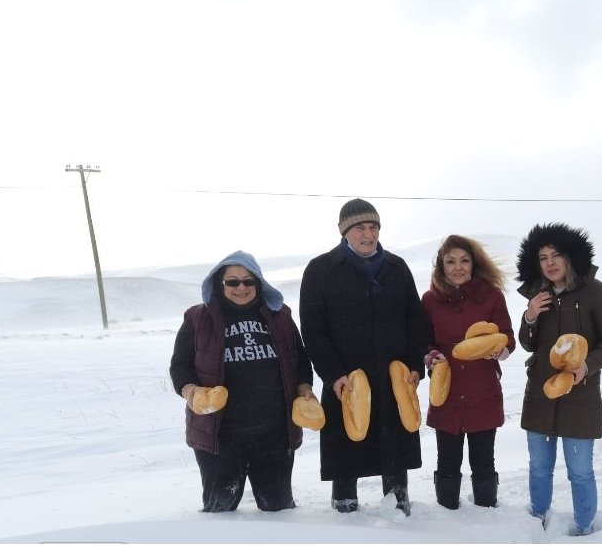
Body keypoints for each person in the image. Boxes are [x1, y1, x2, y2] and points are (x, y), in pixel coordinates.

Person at [299, 198, 431, 515]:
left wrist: (414, 366)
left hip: (391, 377)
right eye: (360, 227)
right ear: (345, 232)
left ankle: (399, 504)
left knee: (394, 446)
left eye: (373, 226)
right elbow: (313, 331)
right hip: (346, 379)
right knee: (346, 446)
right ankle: (344, 508)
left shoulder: (397, 268)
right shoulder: (320, 270)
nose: (368, 234)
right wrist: (333, 374)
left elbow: (416, 321)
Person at [169, 250, 316, 513]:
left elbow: (301, 361)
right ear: (219, 283)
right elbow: (180, 367)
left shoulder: (280, 316)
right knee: (220, 511)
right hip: (220, 435)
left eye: (248, 281)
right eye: (232, 281)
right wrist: (192, 391)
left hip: (274, 434)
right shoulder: (198, 319)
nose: (241, 287)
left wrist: (305, 389)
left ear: (258, 283)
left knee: (279, 510)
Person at [515, 223, 602, 536]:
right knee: (539, 467)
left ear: (571, 257)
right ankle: (538, 520)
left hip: (581, 396)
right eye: (543, 257)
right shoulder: (538, 294)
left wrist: (586, 367)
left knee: (580, 472)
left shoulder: (595, 292)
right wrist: (529, 316)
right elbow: (528, 343)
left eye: (556, 255)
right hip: (540, 394)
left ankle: (586, 528)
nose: (550, 263)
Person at [420, 235, 515, 510]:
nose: (458, 267)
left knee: (483, 459)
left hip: (482, 387)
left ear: (474, 264)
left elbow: (507, 337)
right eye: (450, 261)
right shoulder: (429, 300)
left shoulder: (492, 296)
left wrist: (500, 350)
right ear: (441, 266)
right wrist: (431, 356)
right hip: (446, 389)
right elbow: (422, 340)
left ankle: (486, 510)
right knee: (447, 459)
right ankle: (447, 512)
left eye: (464, 261)